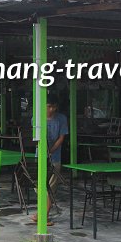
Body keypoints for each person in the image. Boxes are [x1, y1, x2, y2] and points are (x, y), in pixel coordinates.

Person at [33, 96, 68, 224]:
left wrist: (51, 151)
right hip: (40, 156)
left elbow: (61, 138)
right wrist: (44, 151)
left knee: (51, 187)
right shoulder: (36, 118)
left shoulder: (61, 119)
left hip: (55, 157)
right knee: (38, 186)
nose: (51, 109)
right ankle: (41, 213)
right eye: (48, 107)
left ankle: (44, 215)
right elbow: (36, 138)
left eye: (52, 107)